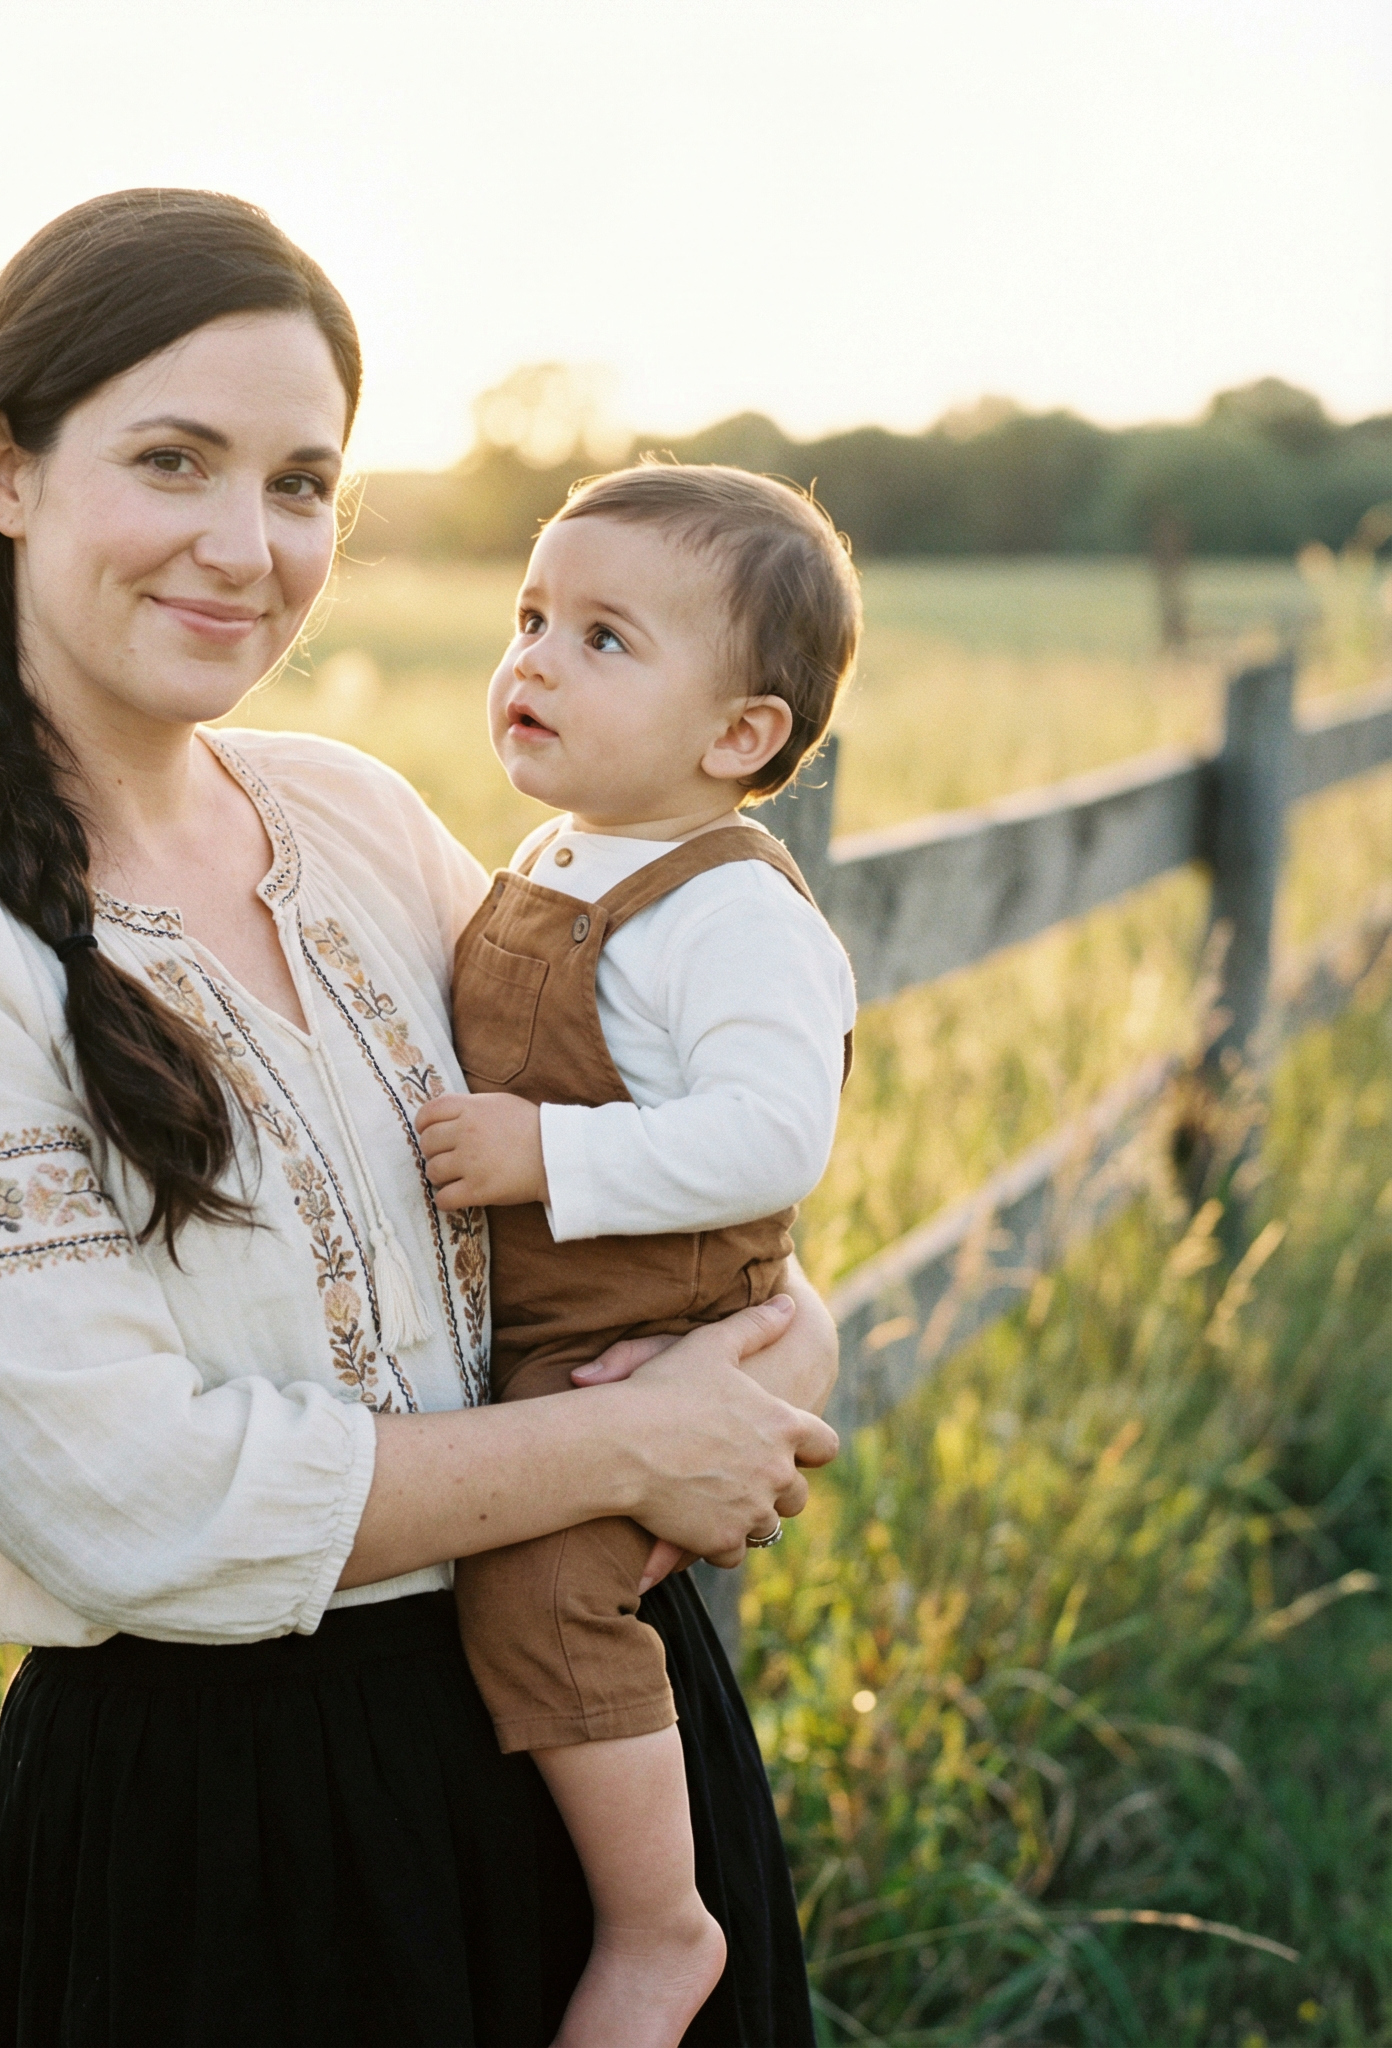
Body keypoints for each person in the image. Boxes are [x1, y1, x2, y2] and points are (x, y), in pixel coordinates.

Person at [0, 189, 840, 2047]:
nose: (244, 547)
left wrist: (782, 1340)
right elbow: (137, 1501)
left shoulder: (349, 818)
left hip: (598, 1739)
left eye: (302, 483)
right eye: (174, 459)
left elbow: (648, 1162)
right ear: (5, 469)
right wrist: (637, 1447)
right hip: (241, 1835)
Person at [415, 465, 861, 2047]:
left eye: (605, 638)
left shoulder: (730, 913)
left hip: (643, 1323)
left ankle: (659, 1929)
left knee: (541, 1588)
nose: (532, 660)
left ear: (739, 737)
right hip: (554, 1322)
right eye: (530, 616)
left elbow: (770, 1139)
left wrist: (547, 1152)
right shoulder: (561, 858)